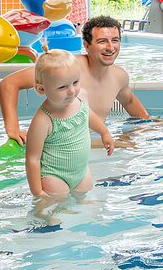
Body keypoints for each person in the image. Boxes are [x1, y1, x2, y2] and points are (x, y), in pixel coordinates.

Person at [0, 15, 151, 145]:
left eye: (115, 40)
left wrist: (151, 125)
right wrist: (13, 129)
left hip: (92, 146)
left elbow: (130, 102)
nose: (110, 47)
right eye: (102, 41)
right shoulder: (67, 67)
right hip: (62, 146)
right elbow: (9, 83)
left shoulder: (119, 76)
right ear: (86, 45)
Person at [24, 51, 114, 199]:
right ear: (41, 89)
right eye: (62, 87)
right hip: (54, 176)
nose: (71, 91)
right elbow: (32, 159)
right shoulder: (43, 121)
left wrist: (104, 133)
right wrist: (38, 192)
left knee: (86, 205)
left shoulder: (81, 96)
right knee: (53, 207)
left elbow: (88, 114)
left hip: (81, 172)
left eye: (75, 82)